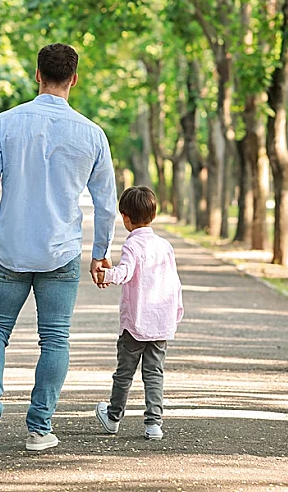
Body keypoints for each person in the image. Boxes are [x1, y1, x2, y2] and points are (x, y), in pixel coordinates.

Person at [0, 43, 117, 453]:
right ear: (74, 79)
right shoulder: (92, 134)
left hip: (9, 247)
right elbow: (106, 203)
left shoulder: (6, 123)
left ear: (37, 75)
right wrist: (101, 252)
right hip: (61, 251)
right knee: (55, 339)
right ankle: (39, 428)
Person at [94, 186, 183, 440]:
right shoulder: (164, 245)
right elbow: (174, 282)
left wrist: (106, 275)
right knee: (154, 373)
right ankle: (154, 424)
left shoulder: (132, 245)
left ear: (125, 217)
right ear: (153, 215)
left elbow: (124, 273)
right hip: (160, 324)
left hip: (135, 323)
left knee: (124, 373)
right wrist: (176, 312)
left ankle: (113, 417)